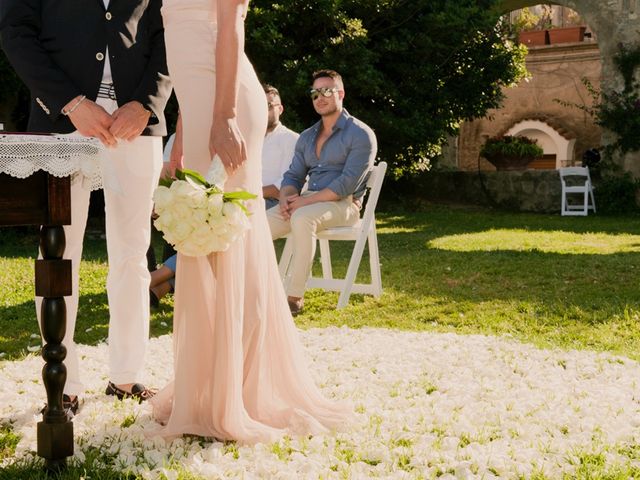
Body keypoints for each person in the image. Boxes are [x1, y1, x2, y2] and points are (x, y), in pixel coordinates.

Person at [150, 0, 351, 443]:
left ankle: (236, 393)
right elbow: (185, 67)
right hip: (203, 103)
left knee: (228, 240)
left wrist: (222, 117)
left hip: (227, 104)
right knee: (208, 240)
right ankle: (208, 387)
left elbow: (227, 30)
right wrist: (181, 138)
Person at [0, 0, 172, 414]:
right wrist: (71, 102)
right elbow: (14, 33)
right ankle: (66, 383)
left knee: (133, 252)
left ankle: (126, 375)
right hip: (62, 122)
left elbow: (169, 35)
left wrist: (146, 102)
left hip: (137, 125)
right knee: (59, 254)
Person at [267, 70, 377, 316]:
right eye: (315, 93)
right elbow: (293, 176)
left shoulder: (361, 134)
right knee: (256, 227)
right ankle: (261, 290)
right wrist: (286, 197)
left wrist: (304, 203)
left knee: (302, 217)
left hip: (345, 205)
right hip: (307, 202)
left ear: (341, 93)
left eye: (327, 91)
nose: (320, 97)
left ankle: (294, 297)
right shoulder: (307, 136)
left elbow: (346, 185)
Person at [262, 84, 299, 210]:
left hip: (274, 203)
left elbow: (284, 187)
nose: (263, 110)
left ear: (280, 109)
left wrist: (250, 193)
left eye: (268, 105)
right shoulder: (251, 139)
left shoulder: (291, 139)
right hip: (248, 199)